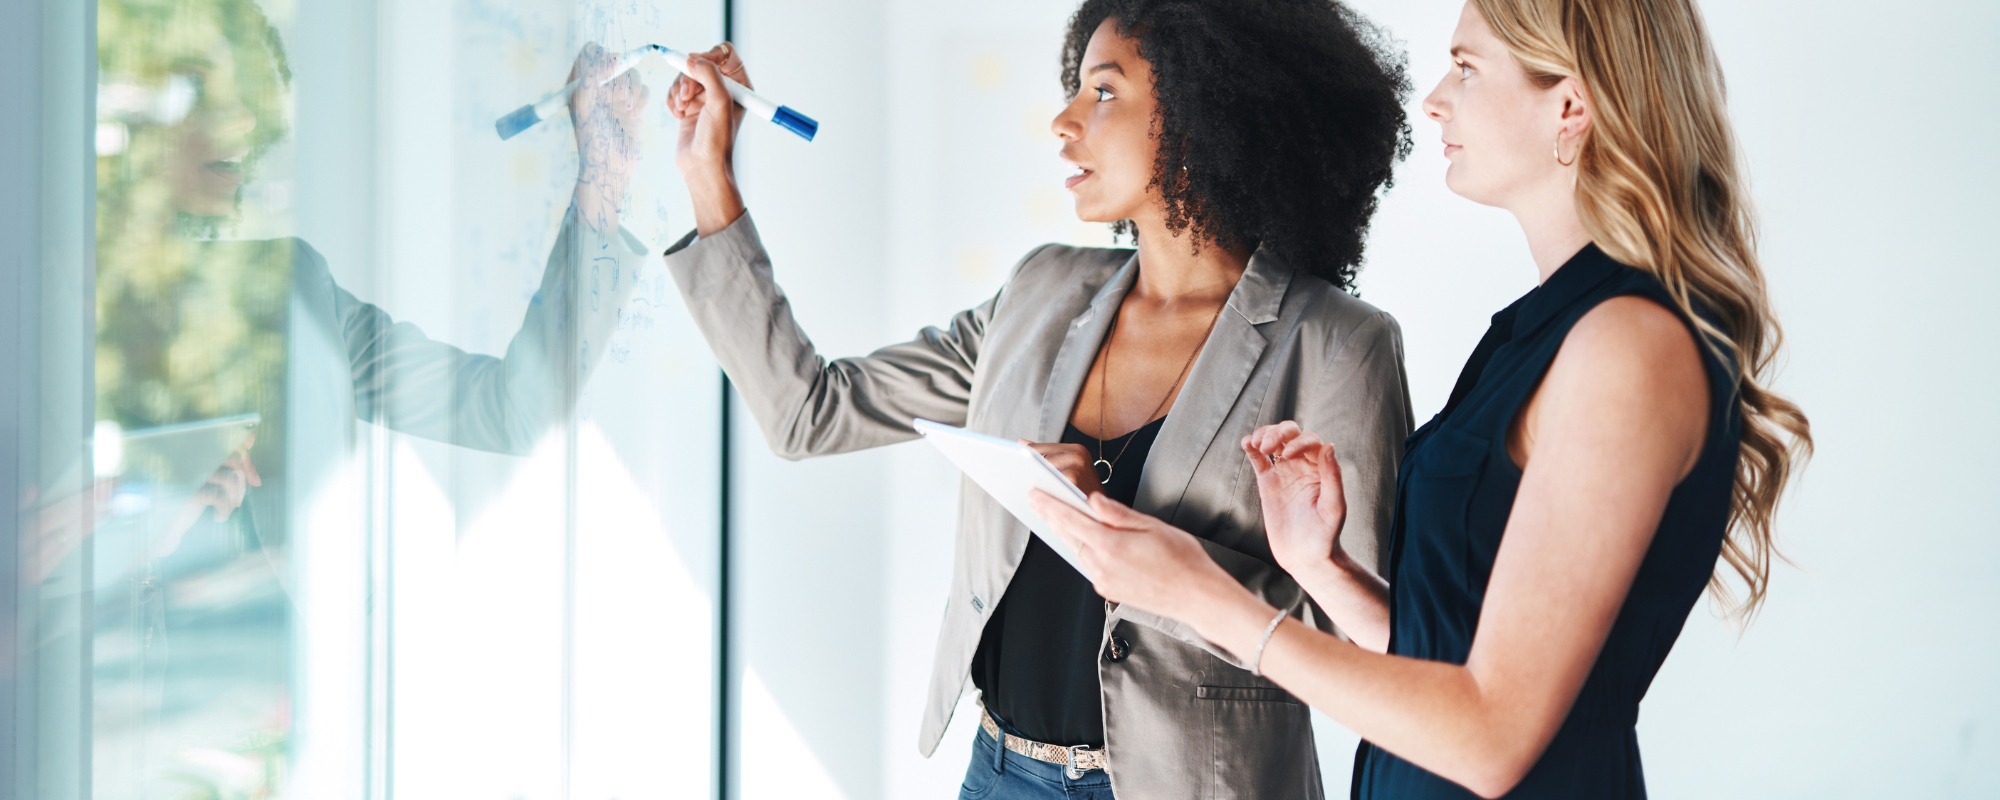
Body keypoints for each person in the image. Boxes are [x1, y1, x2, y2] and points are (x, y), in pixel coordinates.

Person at [1029, 0, 1813, 797]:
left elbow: (1490, 738)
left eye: (1467, 69)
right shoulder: (1538, 333)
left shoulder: (1627, 350)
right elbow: (1452, 657)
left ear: (1571, 107)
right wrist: (1324, 568)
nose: (1434, 99)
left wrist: (1202, 595)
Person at [661, 1, 1412, 796]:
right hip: (999, 773)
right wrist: (709, 176)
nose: (1063, 120)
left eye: (1105, 92)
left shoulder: (1337, 346)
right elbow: (809, 411)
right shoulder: (1040, 292)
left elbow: (1371, 650)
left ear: (1207, 105)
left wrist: (1131, 543)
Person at [73, 0, 652, 792]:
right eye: (206, 91)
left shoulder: (293, 291)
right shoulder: (51, 314)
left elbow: (512, 411)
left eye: (253, 92)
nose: (242, 122)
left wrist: (602, 186)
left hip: (274, 749)